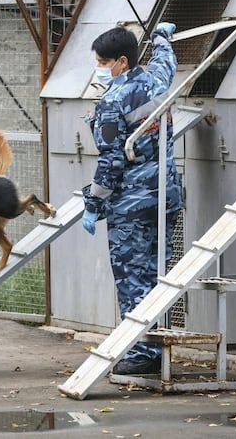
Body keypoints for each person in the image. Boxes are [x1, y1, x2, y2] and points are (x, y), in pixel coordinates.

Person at [81, 22, 182, 375]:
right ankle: (155, 344)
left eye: (102, 62)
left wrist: (93, 205)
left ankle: (143, 353)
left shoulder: (112, 102)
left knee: (132, 277)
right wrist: (161, 37)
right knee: (157, 273)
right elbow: (166, 59)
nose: (99, 69)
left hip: (132, 205)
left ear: (121, 62)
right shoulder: (157, 79)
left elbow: (110, 162)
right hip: (165, 196)